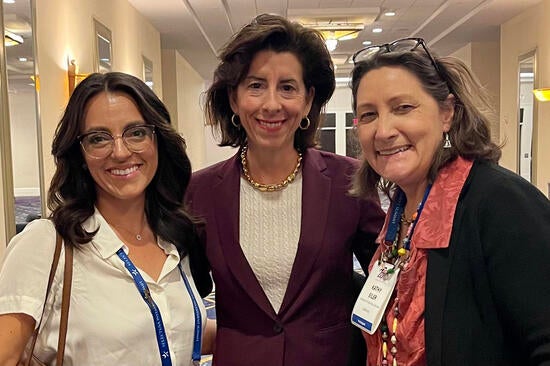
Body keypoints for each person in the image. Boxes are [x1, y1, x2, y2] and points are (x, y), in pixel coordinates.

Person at [185, 13, 385, 366]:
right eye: (256, 85)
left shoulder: (348, 182)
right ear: (234, 98)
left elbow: (388, 278)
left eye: (287, 87)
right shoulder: (200, 192)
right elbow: (186, 290)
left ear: (308, 100)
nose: (272, 104)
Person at [349, 37, 550, 365]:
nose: (383, 130)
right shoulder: (400, 212)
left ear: (447, 113)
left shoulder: (499, 204)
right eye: (368, 115)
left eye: (403, 108)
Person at [0, 72, 214, 365]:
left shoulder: (175, 237)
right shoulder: (46, 243)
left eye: (136, 132)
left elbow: (167, 330)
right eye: (98, 138)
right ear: (80, 155)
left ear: (158, 140)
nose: (121, 152)